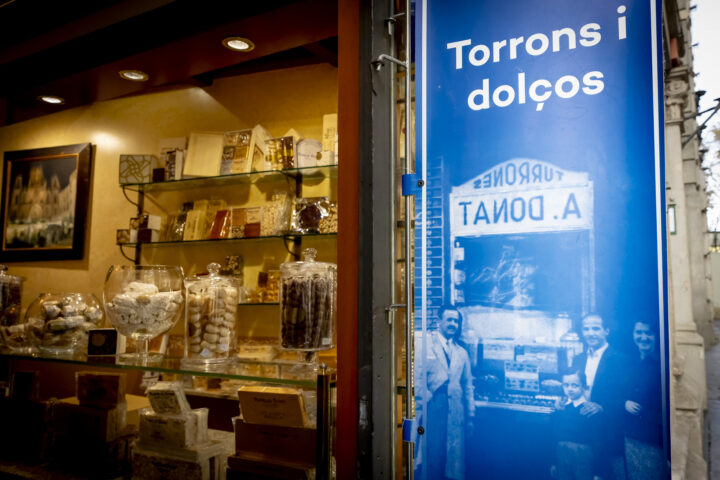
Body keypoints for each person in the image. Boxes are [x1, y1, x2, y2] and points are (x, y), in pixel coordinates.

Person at [419, 306, 475, 480]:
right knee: (432, 456)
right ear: (439, 322)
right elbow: (417, 378)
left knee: (452, 460)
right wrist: (428, 400)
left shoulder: (462, 353)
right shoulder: (425, 346)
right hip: (433, 408)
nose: (453, 324)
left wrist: (471, 415)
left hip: (455, 411)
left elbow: (467, 386)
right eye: (449, 320)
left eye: (456, 321)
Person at [572, 314, 628, 480]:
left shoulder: (619, 359)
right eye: (586, 329)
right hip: (581, 429)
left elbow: (625, 397)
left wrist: (602, 407)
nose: (591, 333)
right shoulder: (578, 359)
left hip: (607, 431)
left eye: (596, 328)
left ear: (606, 331)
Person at [623, 321, 666, 480]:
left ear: (656, 335)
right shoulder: (629, 362)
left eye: (649, 333)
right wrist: (624, 403)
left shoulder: (662, 363)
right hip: (631, 436)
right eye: (639, 332)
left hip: (654, 439)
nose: (643, 337)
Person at [552, 370, 596, 480]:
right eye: (566, 385)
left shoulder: (589, 410)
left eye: (574, 385)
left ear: (584, 387)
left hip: (582, 458)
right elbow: (554, 436)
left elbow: (598, 442)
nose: (570, 389)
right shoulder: (561, 408)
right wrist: (553, 462)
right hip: (562, 456)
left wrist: (598, 472)